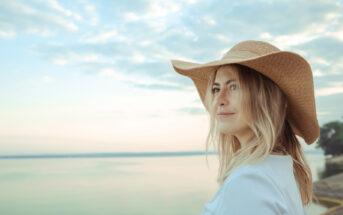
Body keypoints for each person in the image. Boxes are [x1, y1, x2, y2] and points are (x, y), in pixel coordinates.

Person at [170, 40, 320, 214]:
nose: (219, 100)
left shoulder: (250, 181)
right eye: (216, 89)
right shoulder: (281, 166)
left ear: (267, 98)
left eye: (233, 87)